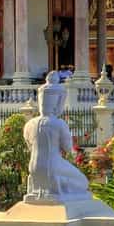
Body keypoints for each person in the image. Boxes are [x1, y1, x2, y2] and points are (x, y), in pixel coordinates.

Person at [24, 72, 94, 203]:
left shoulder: (29, 124)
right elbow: (67, 148)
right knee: (83, 183)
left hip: (33, 168)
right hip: (54, 166)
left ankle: (46, 187)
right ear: (58, 103)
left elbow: (29, 146)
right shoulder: (59, 124)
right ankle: (58, 185)